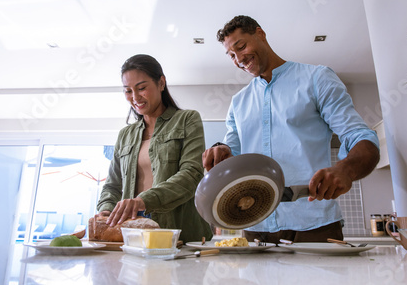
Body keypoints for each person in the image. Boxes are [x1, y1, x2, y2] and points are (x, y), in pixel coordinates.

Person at [202, 16, 380, 244]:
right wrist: (221, 150)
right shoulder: (239, 102)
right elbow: (232, 150)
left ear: (260, 34)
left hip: (314, 226)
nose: (239, 59)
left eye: (241, 46)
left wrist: (346, 169)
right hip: (255, 229)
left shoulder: (316, 78)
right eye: (232, 55)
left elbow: (361, 136)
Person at [97, 54, 213, 243]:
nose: (135, 98)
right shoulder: (125, 135)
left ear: (161, 83)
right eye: (128, 91)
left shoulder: (187, 120)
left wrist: (144, 201)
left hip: (182, 233)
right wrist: (106, 210)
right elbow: (113, 185)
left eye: (142, 88)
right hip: (134, 234)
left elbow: (191, 174)